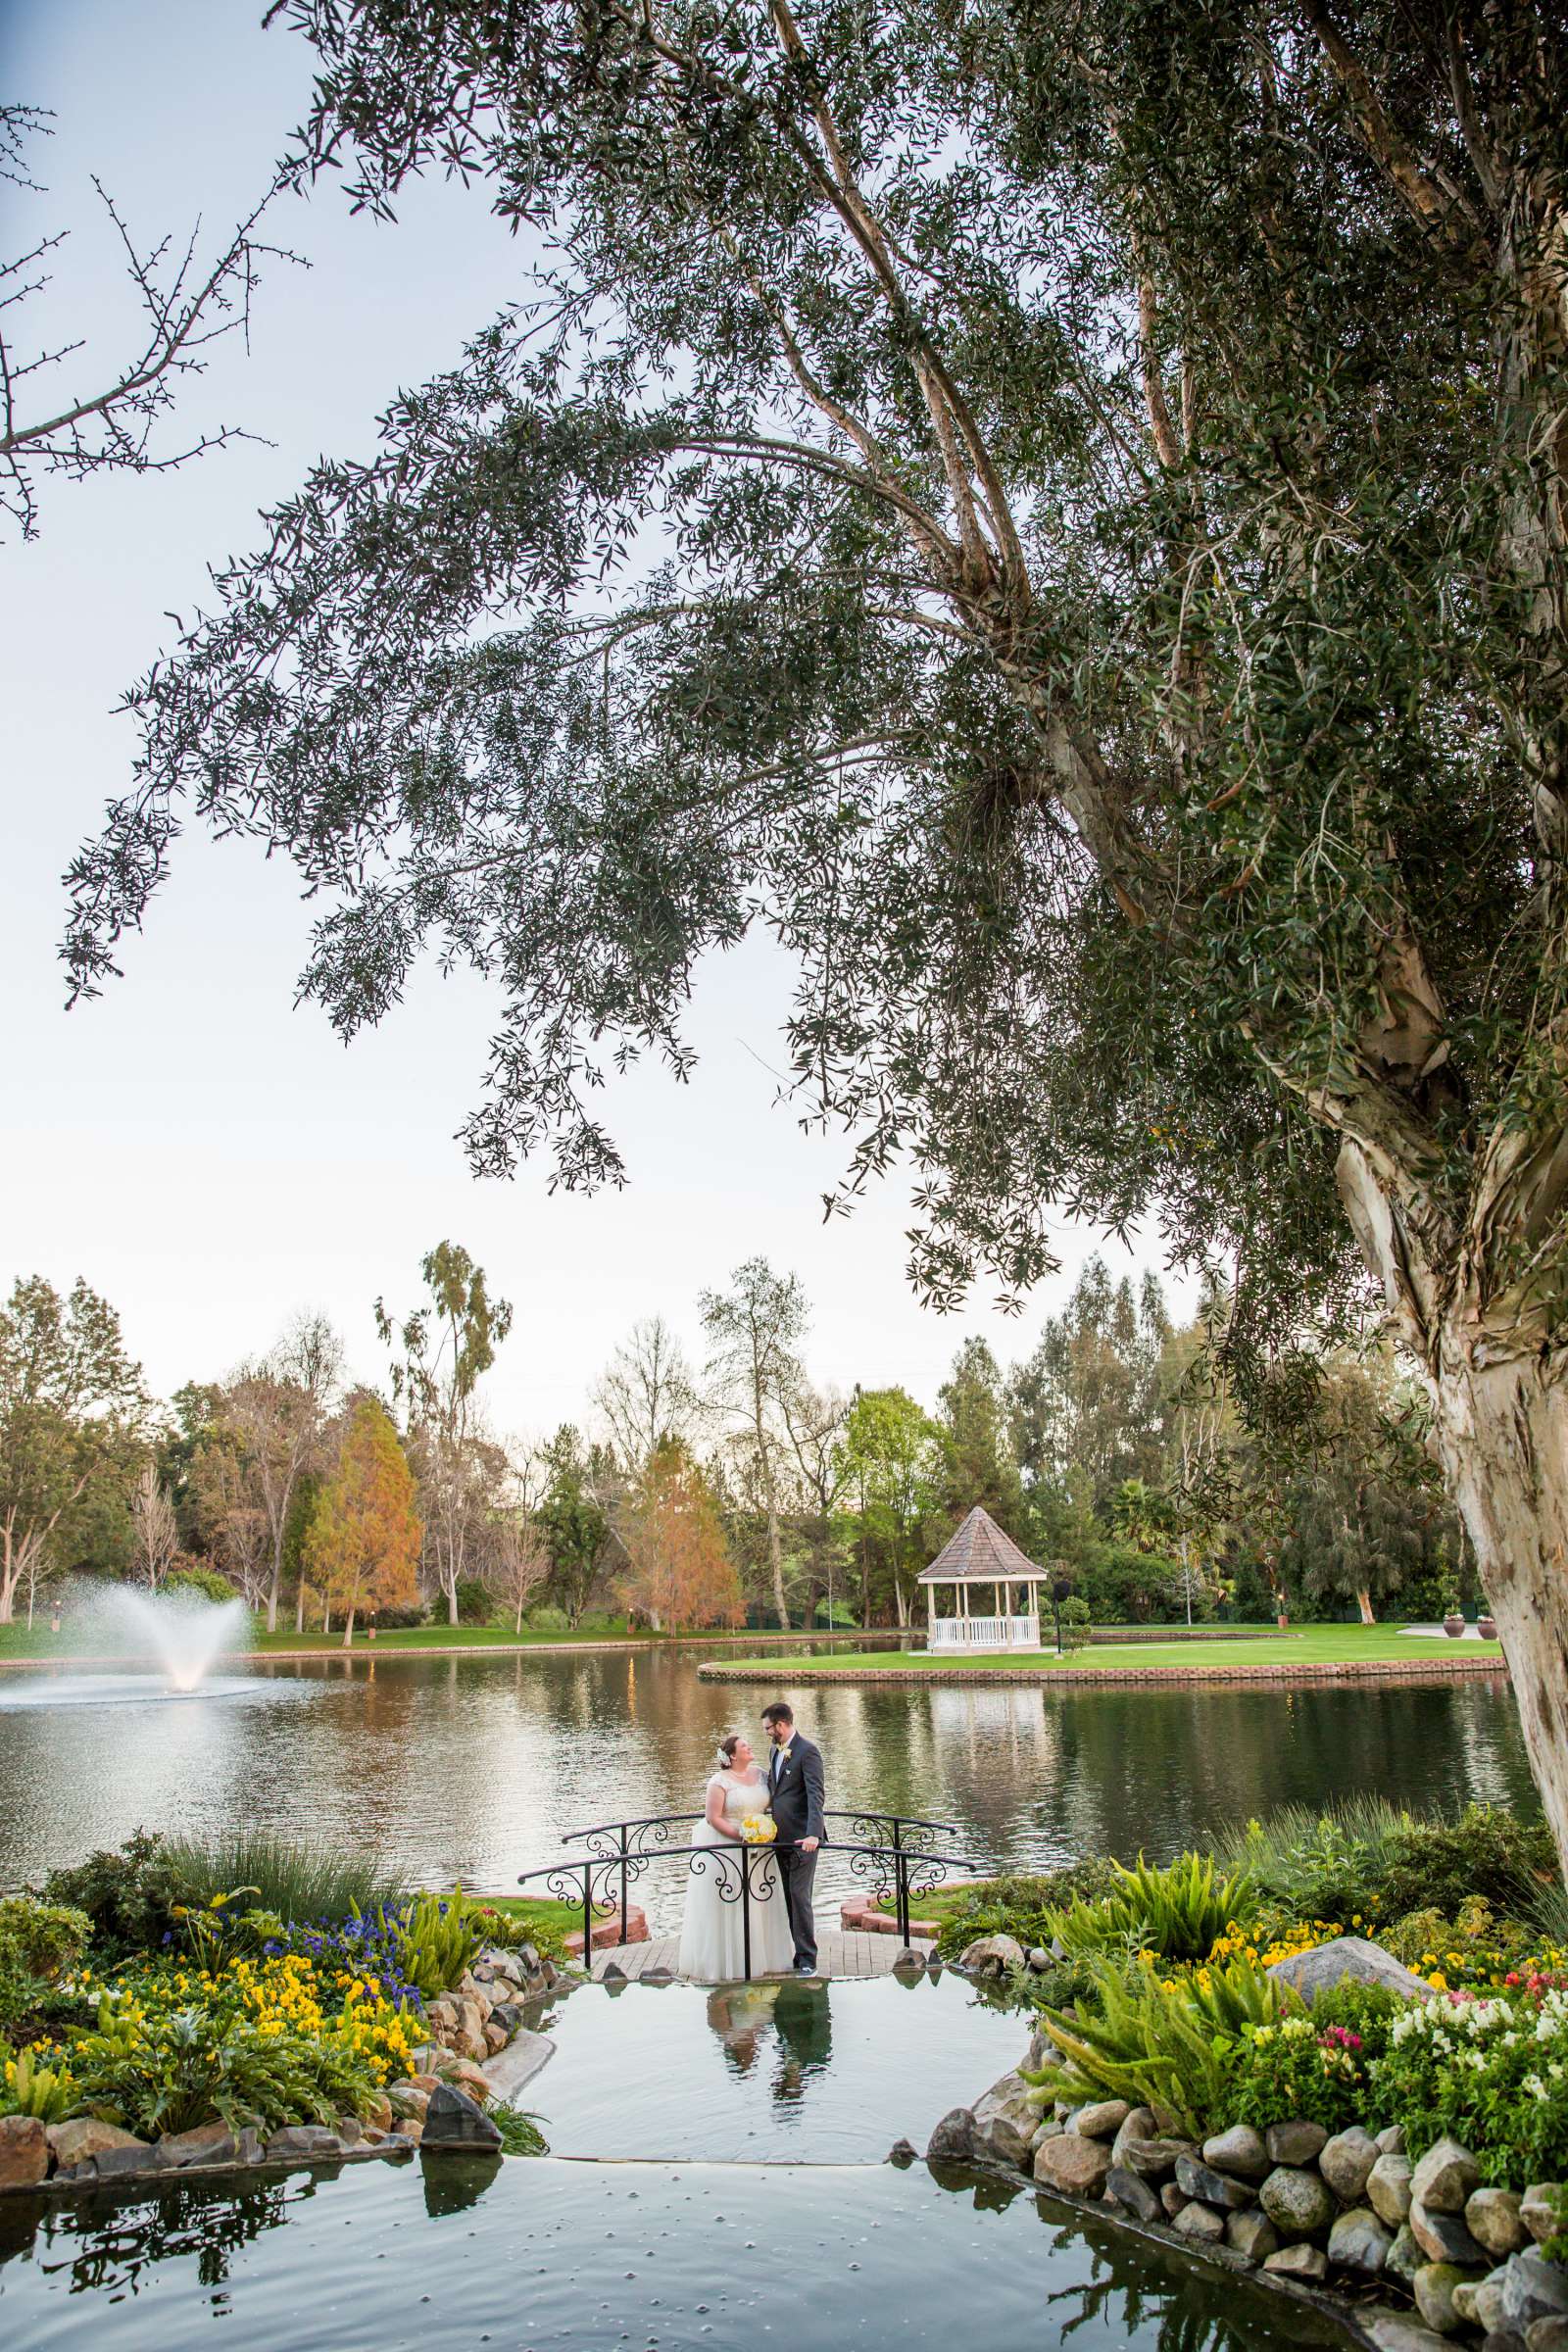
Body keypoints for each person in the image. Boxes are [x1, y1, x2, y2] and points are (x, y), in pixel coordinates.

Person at [677, 1731, 796, 1982]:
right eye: (744, 1746)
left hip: (761, 1849)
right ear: (732, 1755)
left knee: (760, 1901)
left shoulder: (762, 1774)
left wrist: (763, 1832)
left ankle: (767, 1959)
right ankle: (730, 1964)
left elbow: (776, 1803)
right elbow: (713, 1817)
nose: (749, 1747)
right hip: (729, 1849)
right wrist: (741, 1836)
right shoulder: (719, 1782)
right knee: (732, 1903)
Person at [760, 1700, 825, 1975]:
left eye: (768, 1728)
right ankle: (798, 1957)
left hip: (803, 1839)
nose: (766, 1732)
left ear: (782, 1724)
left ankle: (808, 1959)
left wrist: (813, 1833)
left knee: (800, 1897)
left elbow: (815, 1795)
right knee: (788, 1896)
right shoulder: (775, 1753)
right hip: (780, 1839)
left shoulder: (807, 1752)